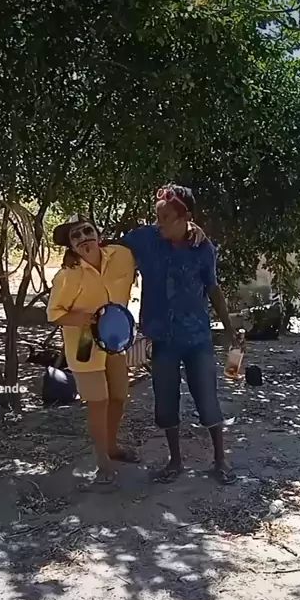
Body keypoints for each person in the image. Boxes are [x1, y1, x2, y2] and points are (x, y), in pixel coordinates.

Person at [119, 185, 239, 484]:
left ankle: (220, 460)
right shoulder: (146, 239)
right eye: (157, 217)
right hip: (162, 339)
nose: (159, 223)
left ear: (185, 218)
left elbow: (213, 288)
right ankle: (175, 461)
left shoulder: (203, 248)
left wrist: (228, 328)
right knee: (165, 400)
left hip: (197, 337)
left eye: (166, 218)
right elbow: (110, 247)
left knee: (207, 397)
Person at [47, 214, 137, 484]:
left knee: (118, 396)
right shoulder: (68, 275)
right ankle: (102, 460)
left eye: (87, 231)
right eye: (75, 236)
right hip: (84, 341)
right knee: (99, 402)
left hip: (115, 340)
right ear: (71, 246)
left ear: (98, 234)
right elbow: (54, 313)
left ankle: (112, 446)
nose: (83, 238)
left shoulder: (122, 256)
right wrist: (86, 320)